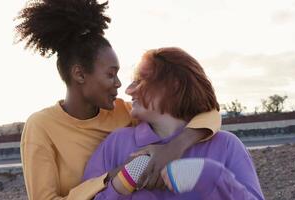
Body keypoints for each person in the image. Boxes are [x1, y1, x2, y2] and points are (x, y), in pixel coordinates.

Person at [15, 1, 220, 199]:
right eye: (110, 74)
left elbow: (207, 112)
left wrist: (175, 147)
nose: (119, 84)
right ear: (80, 75)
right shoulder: (41, 126)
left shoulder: (123, 112)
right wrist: (112, 177)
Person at [83, 47, 265, 200]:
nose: (129, 90)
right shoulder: (117, 143)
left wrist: (210, 175)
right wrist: (121, 184)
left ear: (173, 85)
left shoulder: (226, 145)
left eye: (139, 81)